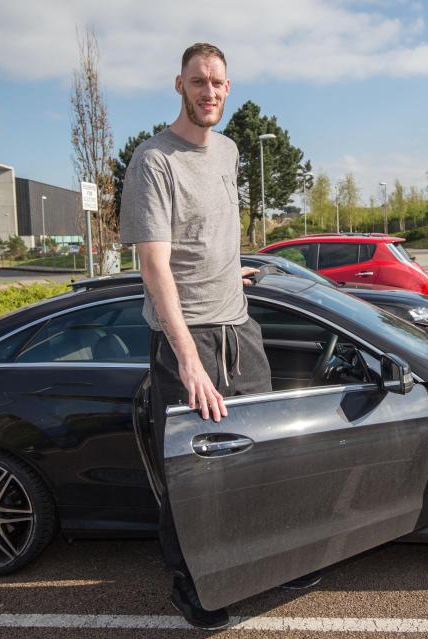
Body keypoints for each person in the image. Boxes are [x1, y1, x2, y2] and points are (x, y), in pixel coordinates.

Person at [118, 43, 318, 630]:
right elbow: (155, 267)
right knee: (192, 469)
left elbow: (208, 233)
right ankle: (195, 585)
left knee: (258, 453)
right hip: (189, 338)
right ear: (178, 84)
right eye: (200, 82)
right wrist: (189, 361)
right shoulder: (153, 160)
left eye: (219, 83)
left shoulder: (229, 151)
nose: (210, 92)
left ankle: (263, 564)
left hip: (239, 327)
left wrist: (230, 269)